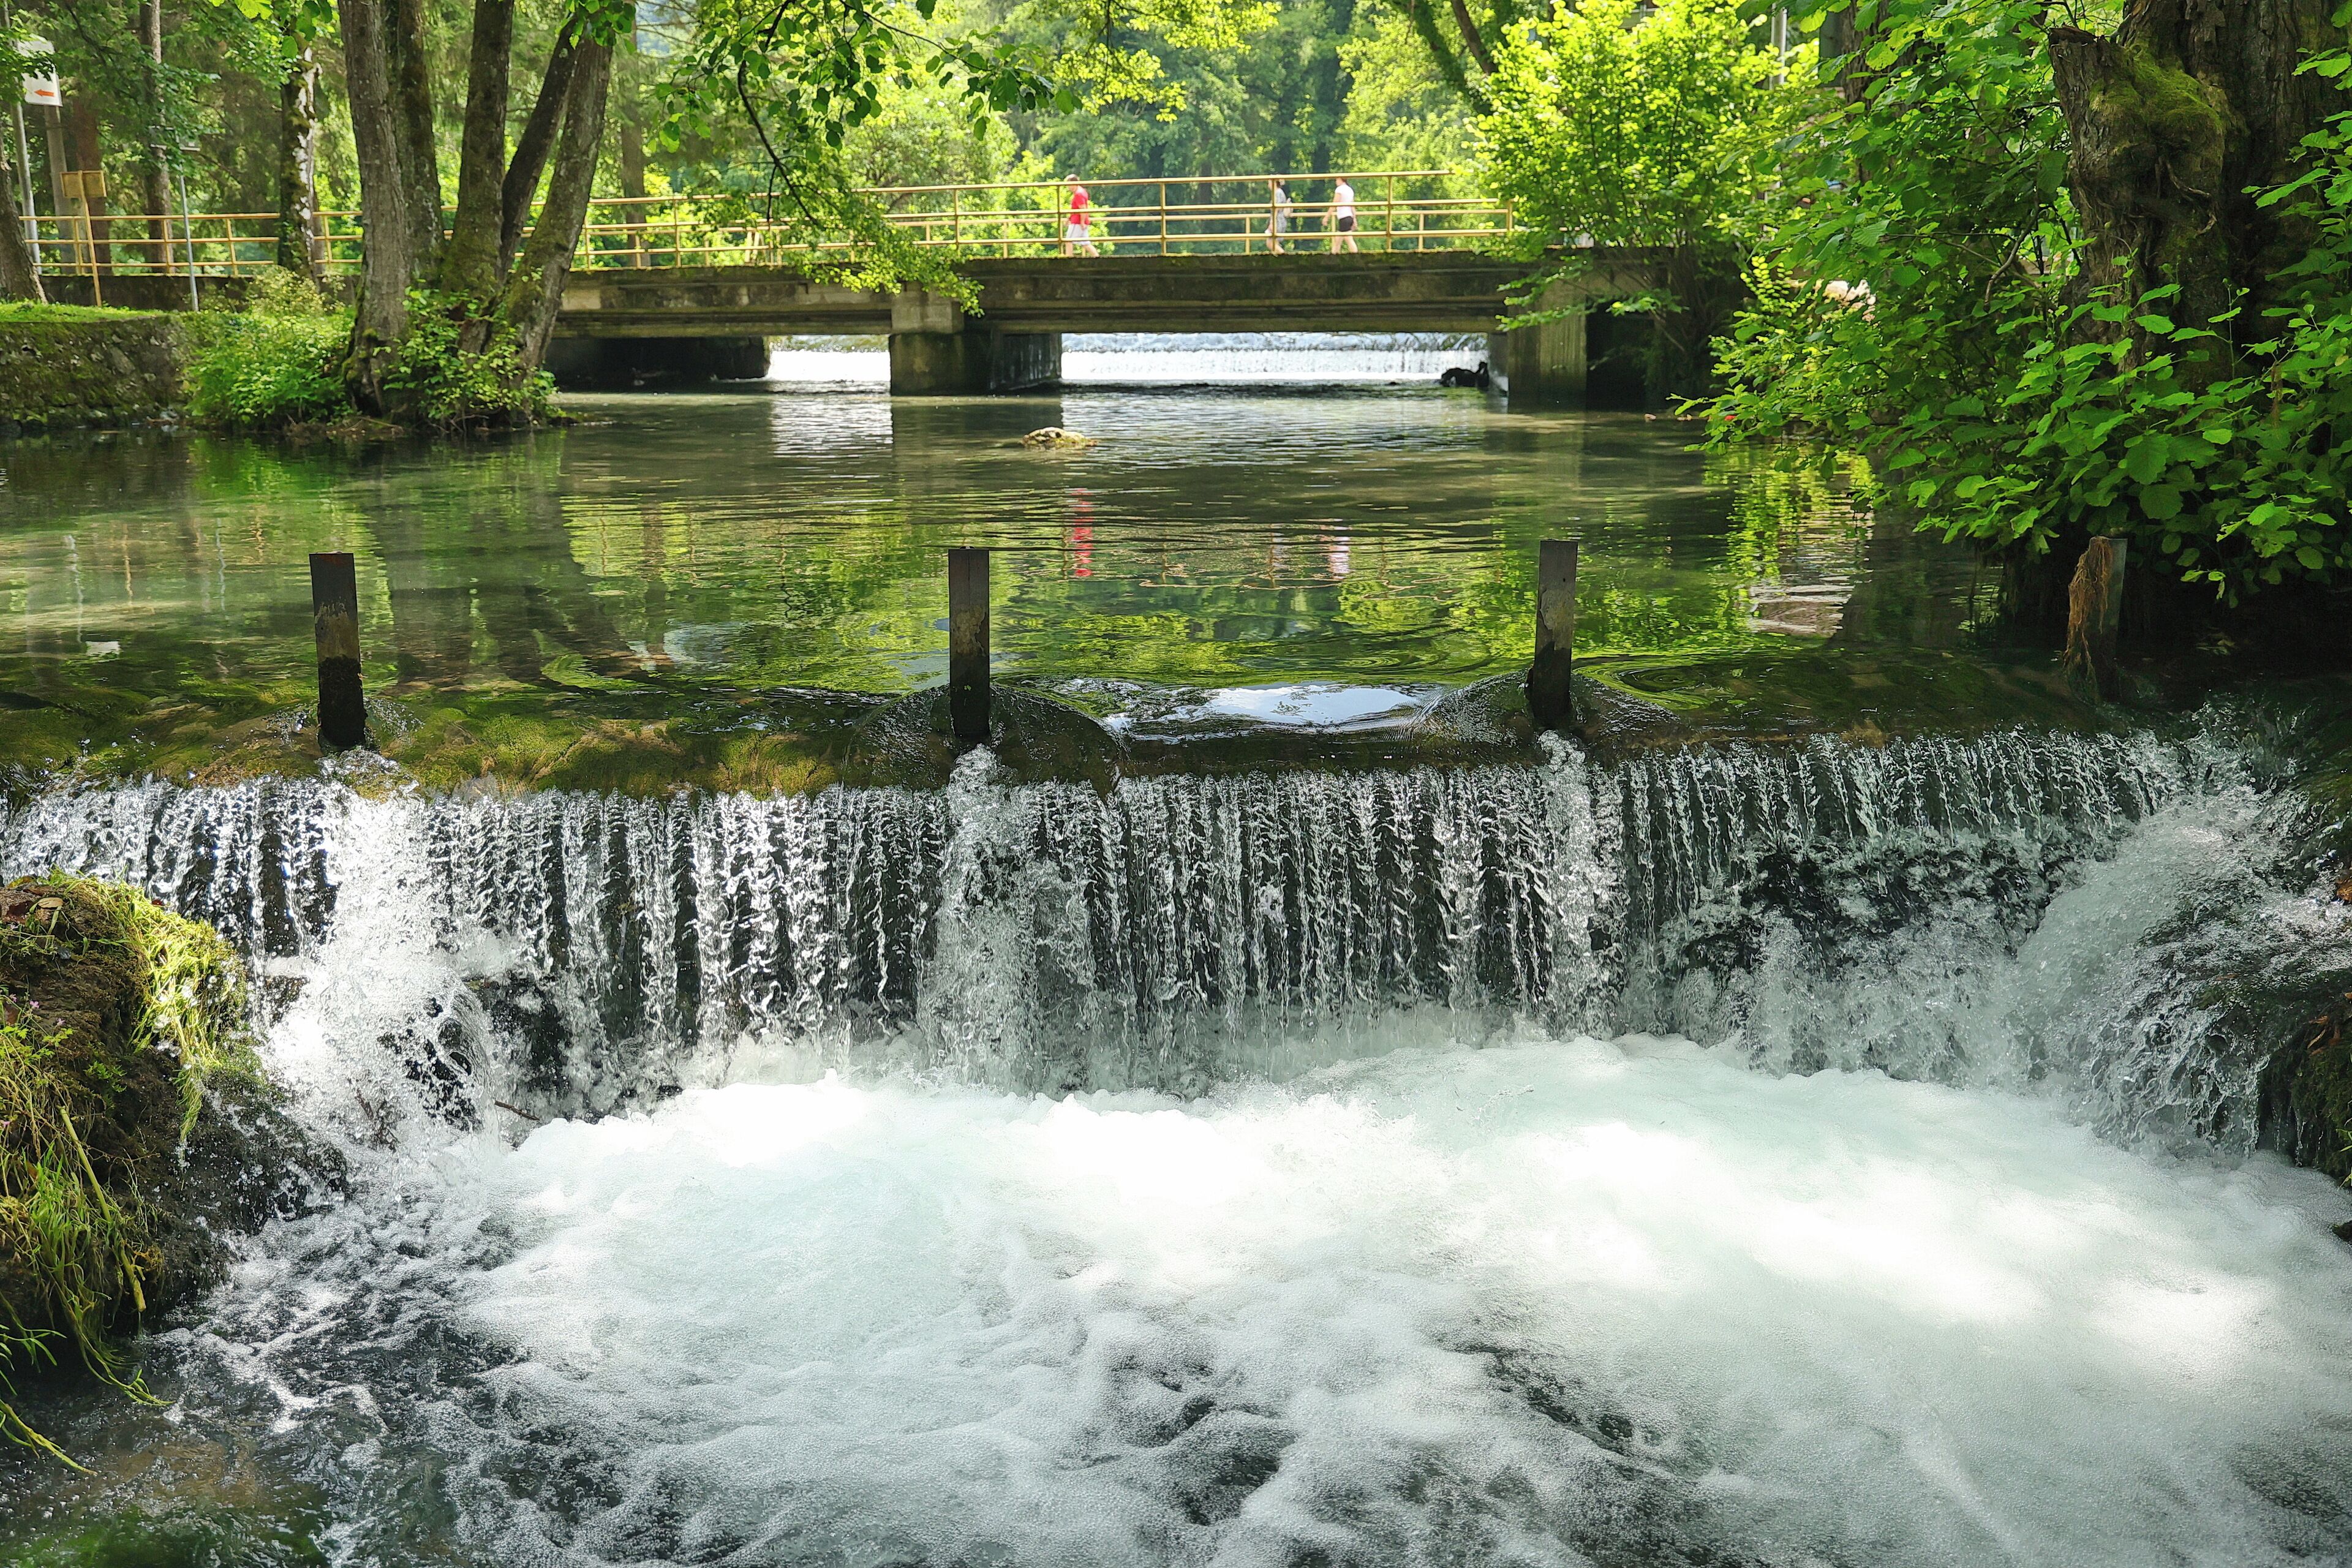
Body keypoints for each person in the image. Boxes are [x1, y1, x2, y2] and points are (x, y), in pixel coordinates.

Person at [1063, 180, 1098, 257]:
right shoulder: (1081, 192)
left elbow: (1083, 208)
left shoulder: (1079, 194)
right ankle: (1097, 257)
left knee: (1068, 241)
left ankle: (1068, 261)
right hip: (1081, 222)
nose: (1068, 187)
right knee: (1086, 244)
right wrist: (1070, 218)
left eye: (1069, 185)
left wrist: (1082, 222)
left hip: (1078, 222)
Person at [1330, 176, 1357, 253]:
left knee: (1348, 240)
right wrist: (1354, 219)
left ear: (1340, 180)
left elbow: (1334, 204)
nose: (1336, 182)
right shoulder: (1350, 190)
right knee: (1338, 240)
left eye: (1337, 180)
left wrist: (1327, 216)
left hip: (1344, 217)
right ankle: (1334, 256)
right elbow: (1352, 206)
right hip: (1349, 217)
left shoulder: (1340, 189)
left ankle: (1355, 256)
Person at [1268, 178, 1292, 254]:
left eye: (1269, 183)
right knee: (1274, 242)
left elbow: (1276, 208)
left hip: (1278, 221)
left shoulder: (1278, 193)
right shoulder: (1279, 192)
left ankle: (1284, 255)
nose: (1268, 185)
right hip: (1279, 220)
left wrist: (1272, 222)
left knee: (1270, 242)